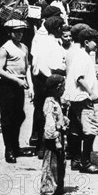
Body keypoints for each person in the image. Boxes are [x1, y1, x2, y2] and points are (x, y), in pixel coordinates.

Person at [64, 27, 98, 174]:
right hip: (82, 98)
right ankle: (85, 162)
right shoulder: (82, 57)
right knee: (90, 129)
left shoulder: (83, 55)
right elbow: (79, 78)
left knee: (75, 128)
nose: (97, 44)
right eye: (96, 42)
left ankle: (75, 160)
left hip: (76, 98)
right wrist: (91, 93)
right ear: (86, 42)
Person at [0, 19, 33, 164]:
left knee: (19, 115)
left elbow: (27, 67)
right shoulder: (5, 48)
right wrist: (16, 79)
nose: (19, 34)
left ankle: (16, 146)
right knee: (7, 119)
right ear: (9, 33)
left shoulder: (24, 47)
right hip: (8, 85)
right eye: (16, 32)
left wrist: (30, 86)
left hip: (20, 84)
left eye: (21, 31)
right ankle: (9, 149)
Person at [31, 15, 66, 158]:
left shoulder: (41, 41)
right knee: (51, 113)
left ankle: (39, 145)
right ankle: (47, 146)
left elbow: (34, 62)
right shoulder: (54, 44)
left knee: (40, 111)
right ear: (57, 28)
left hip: (38, 79)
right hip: (49, 80)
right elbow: (56, 65)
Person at [40, 74, 71, 195]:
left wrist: (64, 120)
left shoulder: (57, 101)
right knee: (50, 165)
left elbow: (59, 117)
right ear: (58, 87)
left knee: (60, 164)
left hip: (60, 137)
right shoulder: (50, 103)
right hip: (53, 139)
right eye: (63, 86)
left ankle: (58, 188)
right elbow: (49, 124)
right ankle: (47, 190)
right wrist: (55, 139)